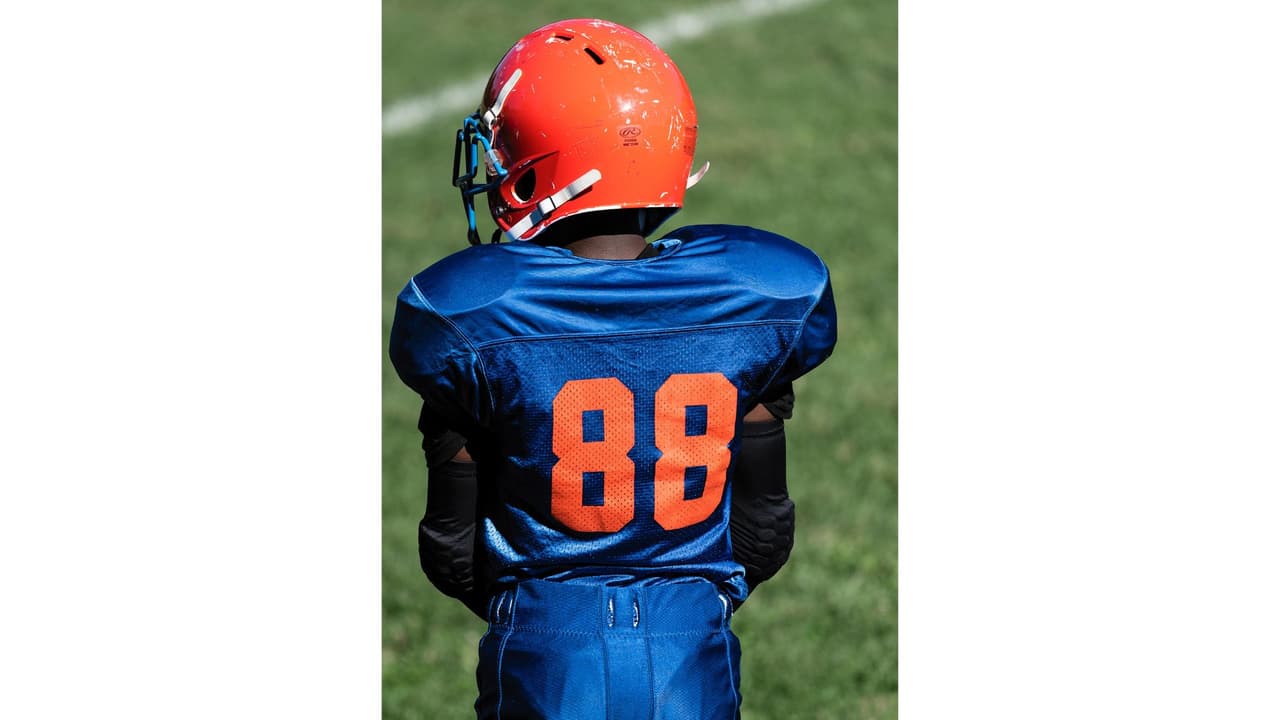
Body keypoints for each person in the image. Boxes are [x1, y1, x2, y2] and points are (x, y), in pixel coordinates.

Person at [390, 18, 836, 719]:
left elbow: (451, 545)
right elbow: (764, 528)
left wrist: (532, 604)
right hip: (691, 656)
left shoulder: (471, 314)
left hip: (547, 656)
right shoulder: (764, 292)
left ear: (539, 161)